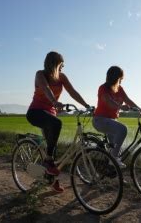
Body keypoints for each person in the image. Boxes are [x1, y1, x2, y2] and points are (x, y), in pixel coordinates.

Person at [26, 51, 90, 192]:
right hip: (35, 112)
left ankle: (50, 178)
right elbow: (46, 89)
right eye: (61, 64)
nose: (63, 67)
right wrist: (55, 101)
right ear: (54, 64)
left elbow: (72, 91)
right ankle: (48, 162)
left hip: (50, 113)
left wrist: (86, 105)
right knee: (56, 125)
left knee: (52, 144)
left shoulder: (61, 77)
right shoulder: (40, 74)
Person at [92, 66, 141, 168]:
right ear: (116, 78)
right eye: (120, 79)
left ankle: (111, 170)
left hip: (111, 120)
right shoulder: (103, 88)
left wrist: (140, 110)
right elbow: (108, 101)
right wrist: (120, 106)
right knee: (122, 129)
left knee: (116, 150)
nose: (121, 81)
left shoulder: (120, 89)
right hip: (100, 120)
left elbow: (128, 100)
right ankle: (113, 160)